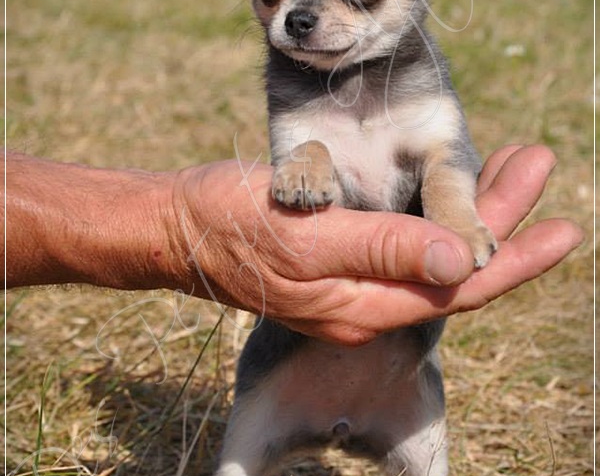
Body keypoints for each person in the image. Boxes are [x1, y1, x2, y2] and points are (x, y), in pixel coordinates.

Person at [3, 144, 582, 345]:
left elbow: (446, 158)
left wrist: (181, 221)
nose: (299, 12)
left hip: (406, 364)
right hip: (288, 361)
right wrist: (179, 226)